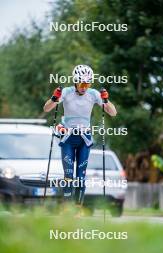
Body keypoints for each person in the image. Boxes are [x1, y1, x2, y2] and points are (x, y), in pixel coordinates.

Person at [43, 65, 117, 205]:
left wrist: (106, 100)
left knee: (81, 176)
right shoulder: (66, 92)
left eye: (88, 83)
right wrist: (54, 98)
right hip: (68, 138)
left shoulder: (93, 94)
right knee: (69, 175)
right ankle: (67, 207)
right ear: (75, 81)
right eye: (82, 83)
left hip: (84, 139)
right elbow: (46, 109)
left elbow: (113, 113)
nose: (84, 87)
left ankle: (78, 208)